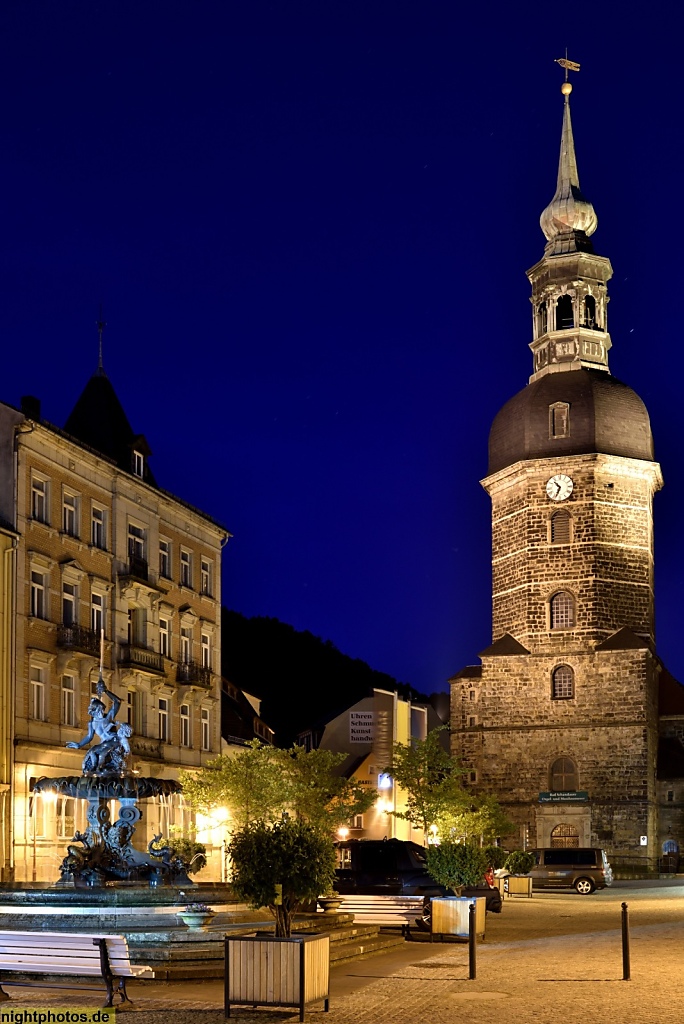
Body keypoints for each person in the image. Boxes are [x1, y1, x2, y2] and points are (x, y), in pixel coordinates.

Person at [66, 677, 132, 775]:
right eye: (101, 709)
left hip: (113, 741)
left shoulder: (108, 718)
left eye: (102, 709)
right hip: (104, 742)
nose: (102, 711)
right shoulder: (91, 723)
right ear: (95, 710)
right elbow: (89, 737)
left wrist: (106, 691)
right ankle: (94, 768)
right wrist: (79, 744)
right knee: (92, 751)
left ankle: (99, 768)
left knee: (102, 753)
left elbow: (117, 702)